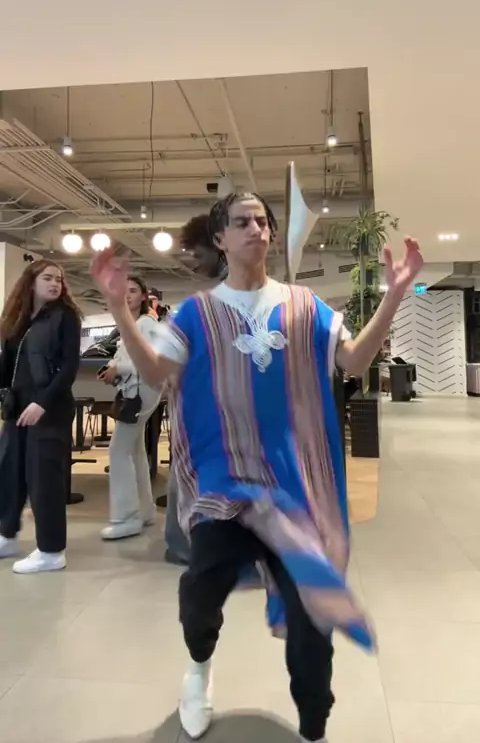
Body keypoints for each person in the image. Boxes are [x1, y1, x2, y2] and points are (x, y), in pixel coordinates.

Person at [91, 192, 423, 743]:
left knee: (312, 624)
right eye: (243, 222)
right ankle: (198, 669)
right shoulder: (196, 313)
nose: (257, 229)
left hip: (295, 493)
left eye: (263, 221)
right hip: (223, 488)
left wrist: (394, 295)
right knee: (201, 593)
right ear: (220, 239)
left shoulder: (304, 304)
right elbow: (154, 373)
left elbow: (354, 361)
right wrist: (121, 311)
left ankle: (313, 729)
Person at [0, 260, 82, 574]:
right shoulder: (17, 319)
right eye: (47, 278)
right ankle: (6, 535)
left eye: (59, 279)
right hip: (17, 408)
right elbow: (9, 365)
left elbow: (69, 368)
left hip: (50, 410)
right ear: (31, 282)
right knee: (9, 473)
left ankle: (51, 550)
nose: (55, 284)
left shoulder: (66, 316)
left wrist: (42, 403)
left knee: (44, 479)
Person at [98, 275, 163, 540]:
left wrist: (119, 368)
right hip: (134, 391)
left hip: (143, 392)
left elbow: (152, 360)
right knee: (134, 450)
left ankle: (126, 518)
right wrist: (113, 365)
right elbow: (125, 355)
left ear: (144, 296)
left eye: (133, 290)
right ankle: (144, 512)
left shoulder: (147, 324)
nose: (127, 295)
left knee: (118, 450)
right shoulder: (131, 324)